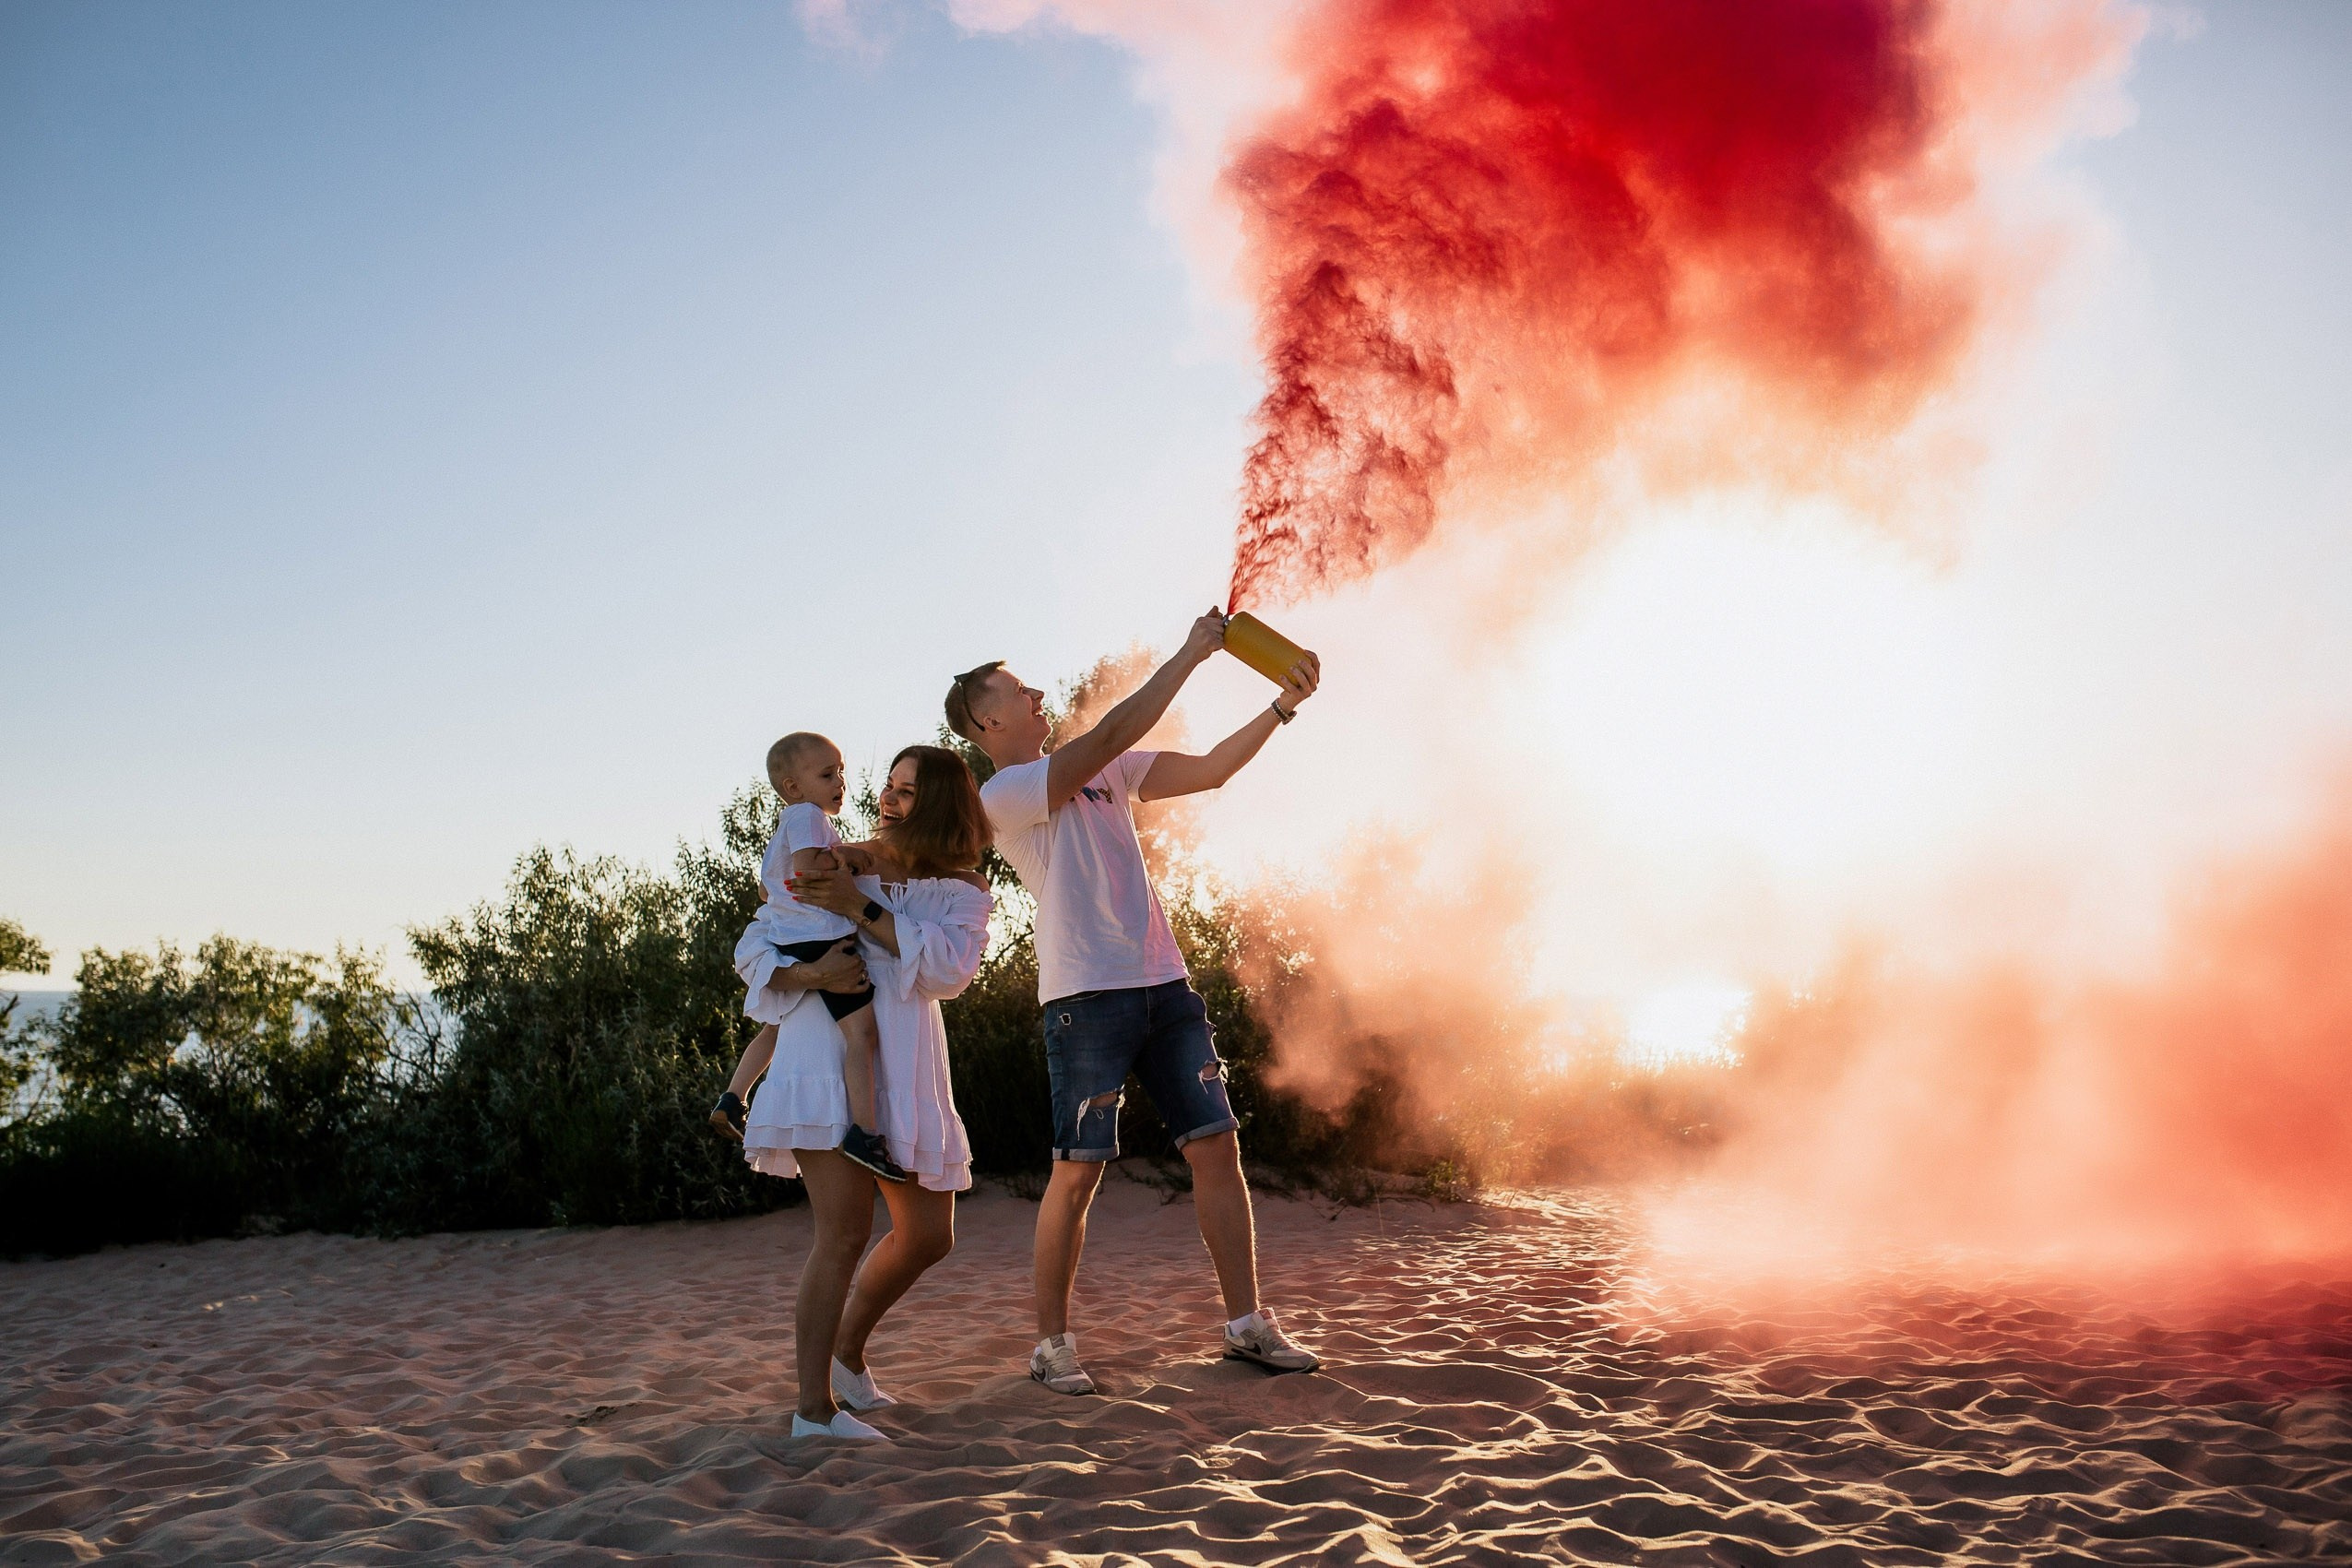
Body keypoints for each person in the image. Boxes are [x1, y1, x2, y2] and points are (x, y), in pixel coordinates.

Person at [944, 609, 1323, 1396]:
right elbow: (1115, 729)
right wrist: (1192, 652)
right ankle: (1051, 1346)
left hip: (1164, 986)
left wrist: (1282, 708)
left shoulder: (1109, 774)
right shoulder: (1006, 792)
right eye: (1020, 690)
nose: (1040, 692)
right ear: (988, 719)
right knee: (1078, 1173)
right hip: (1086, 999)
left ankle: (1247, 1325)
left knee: (1218, 1148)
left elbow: (1213, 768)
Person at [737, 744, 996, 1441]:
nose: (887, 799)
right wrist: (810, 976)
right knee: (844, 1234)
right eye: (887, 786)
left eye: (907, 791)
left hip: (907, 1069)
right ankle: (812, 1411)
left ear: (941, 803)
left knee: (928, 1235)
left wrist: (860, 909)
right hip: (826, 1061)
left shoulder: (964, 888)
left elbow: (947, 971)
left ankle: (847, 1356)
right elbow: (761, 944)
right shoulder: (834, 856)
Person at [719, 731, 906, 1184]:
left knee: (778, 1026)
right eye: (827, 774)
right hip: (819, 938)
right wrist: (851, 860)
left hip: (792, 939)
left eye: (841, 771)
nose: (839, 781)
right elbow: (807, 868)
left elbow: (770, 886)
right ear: (793, 788)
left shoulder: (790, 822)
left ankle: (732, 1099)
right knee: (861, 1035)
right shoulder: (807, 816)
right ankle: (864, 1134)